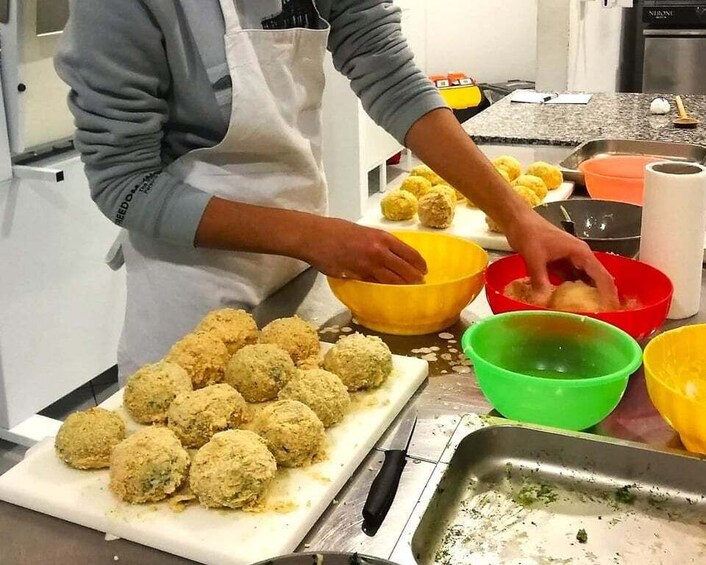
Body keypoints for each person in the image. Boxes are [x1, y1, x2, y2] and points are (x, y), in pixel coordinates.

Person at [55, 0, 617, 379]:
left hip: (299, 267)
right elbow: (124, 185)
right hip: (191, 283)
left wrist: (520, 217)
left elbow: (393, 81)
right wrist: (310, 234)